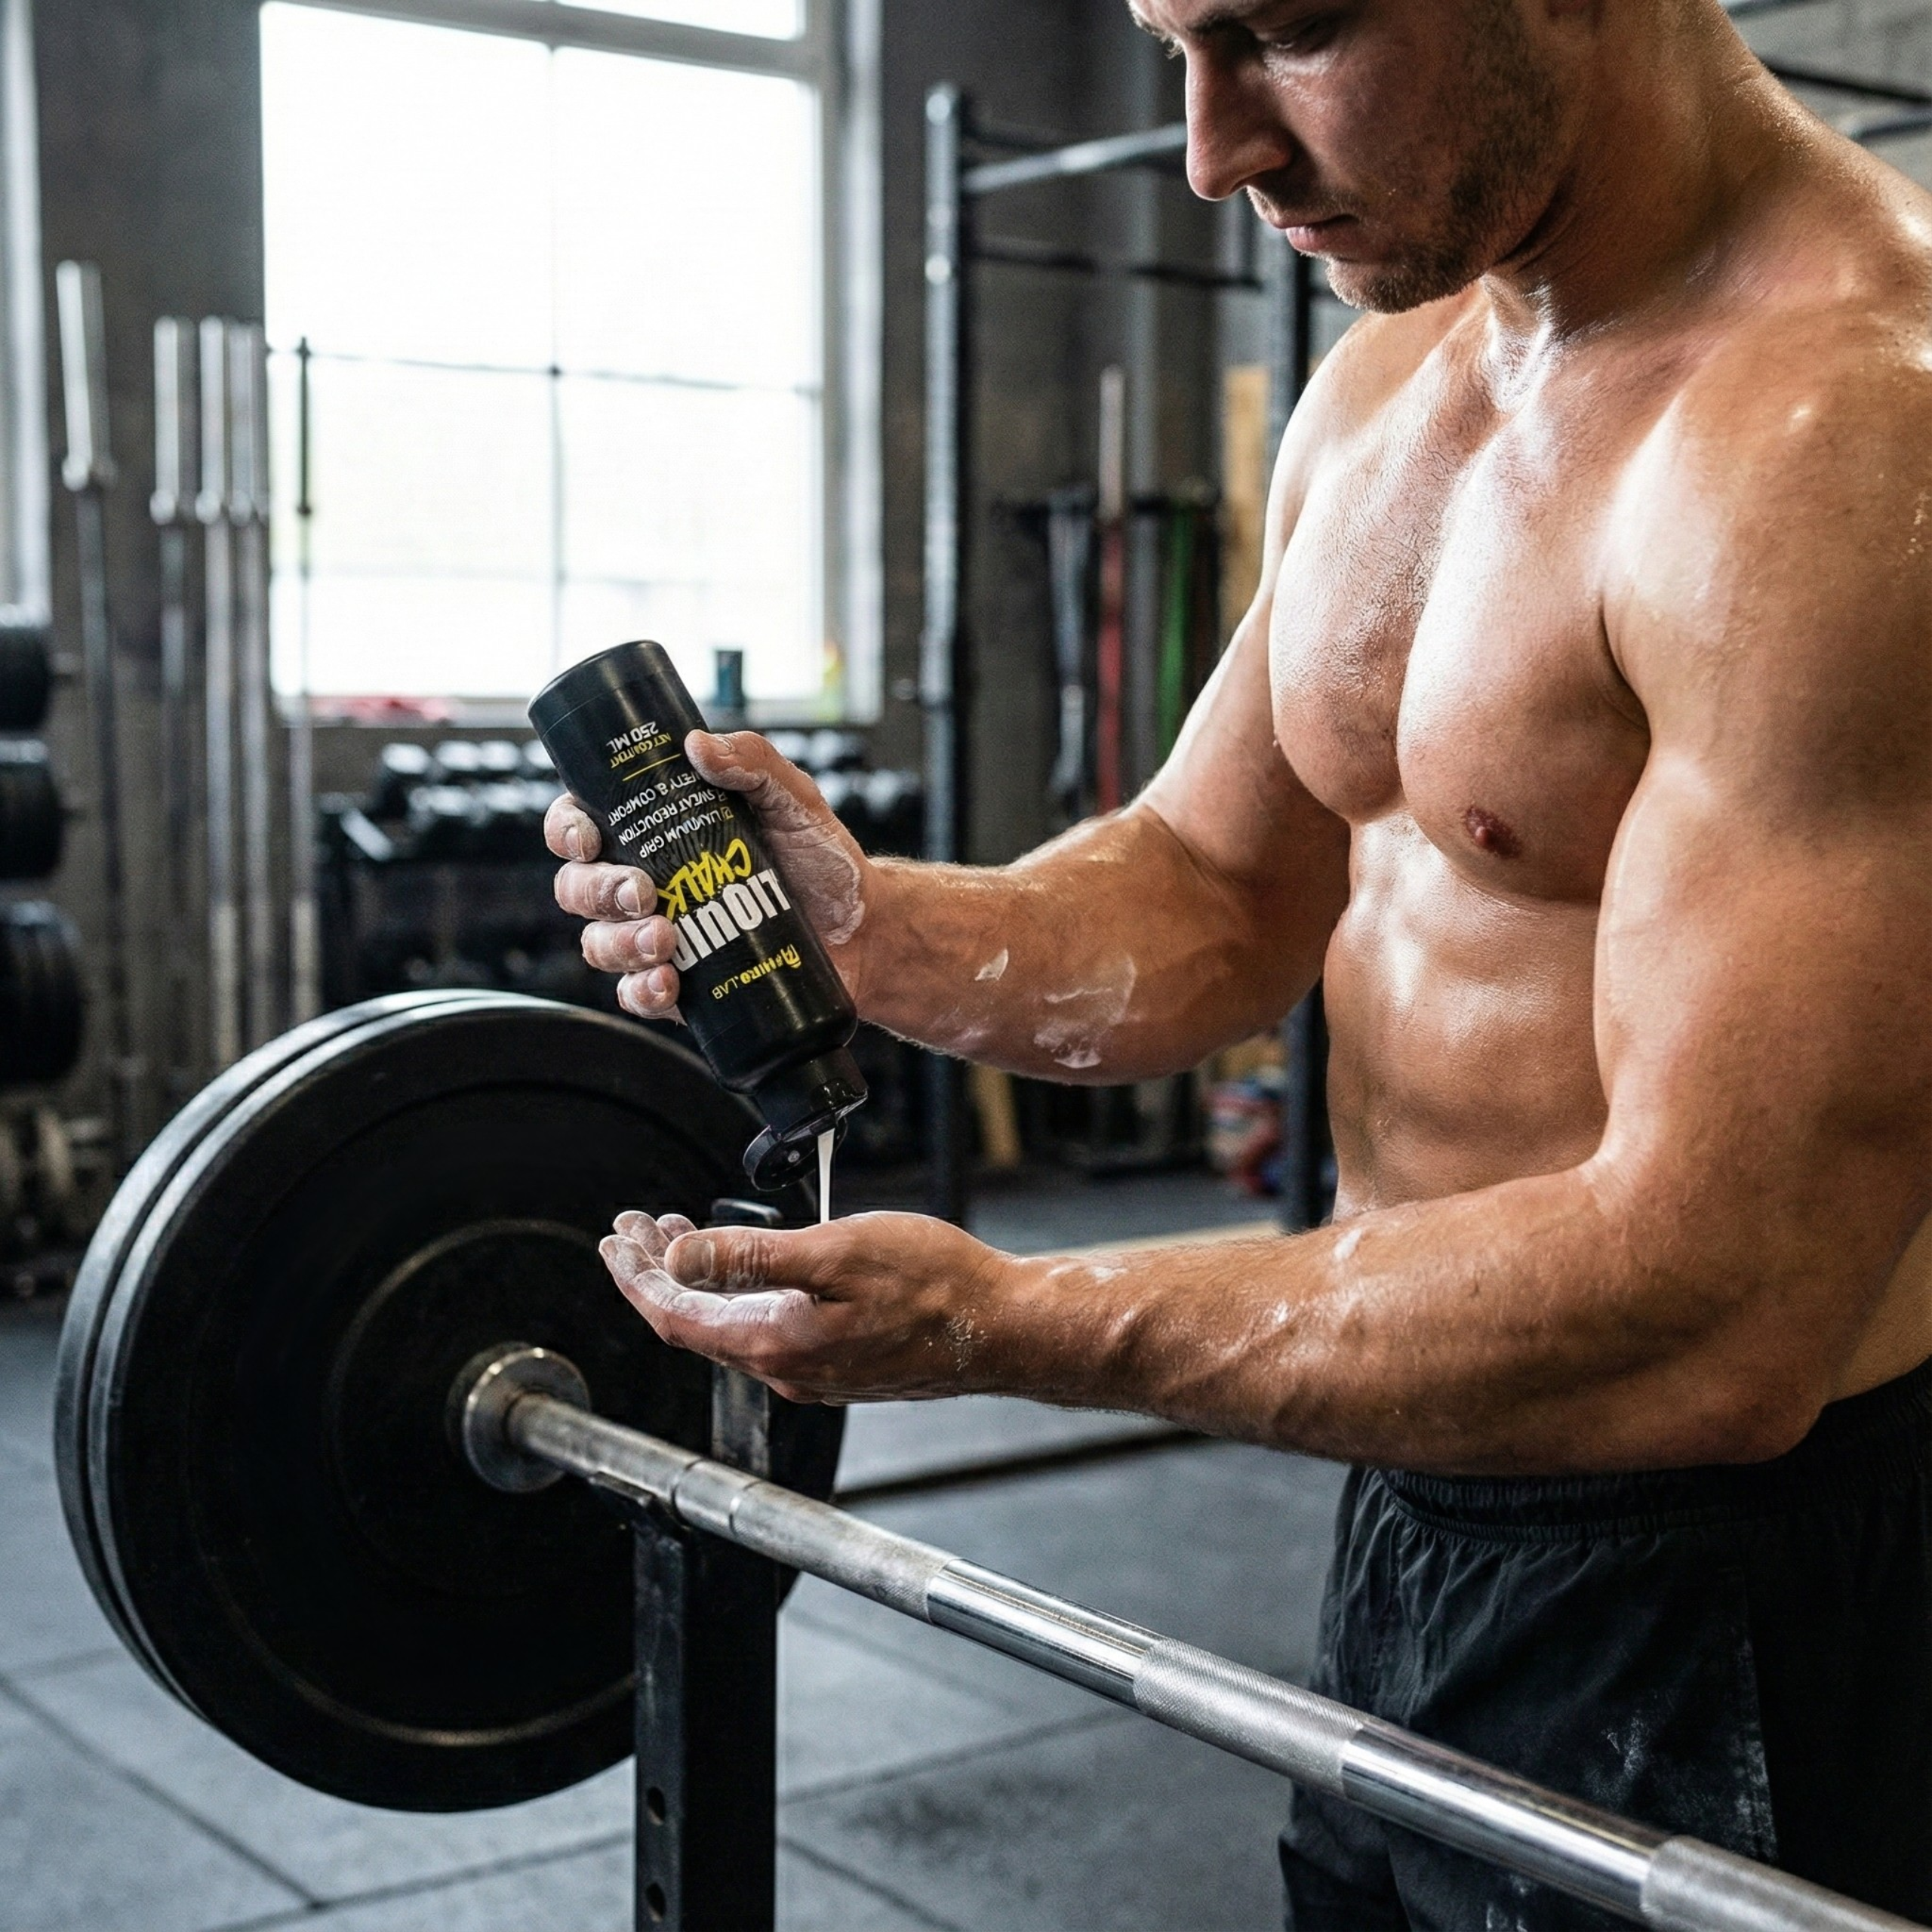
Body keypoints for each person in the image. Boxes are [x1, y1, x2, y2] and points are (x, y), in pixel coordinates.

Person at [546, 0, 1932, 1918]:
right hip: (1414, 1485)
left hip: (1726, 1576)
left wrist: (1000, 1324)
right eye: (1171, 41)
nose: (1211, 149)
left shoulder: (1847, 435)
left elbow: (1716, 1303)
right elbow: (1206, 883)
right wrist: (865, 924)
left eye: (1283, 30)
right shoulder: (1391, 389)